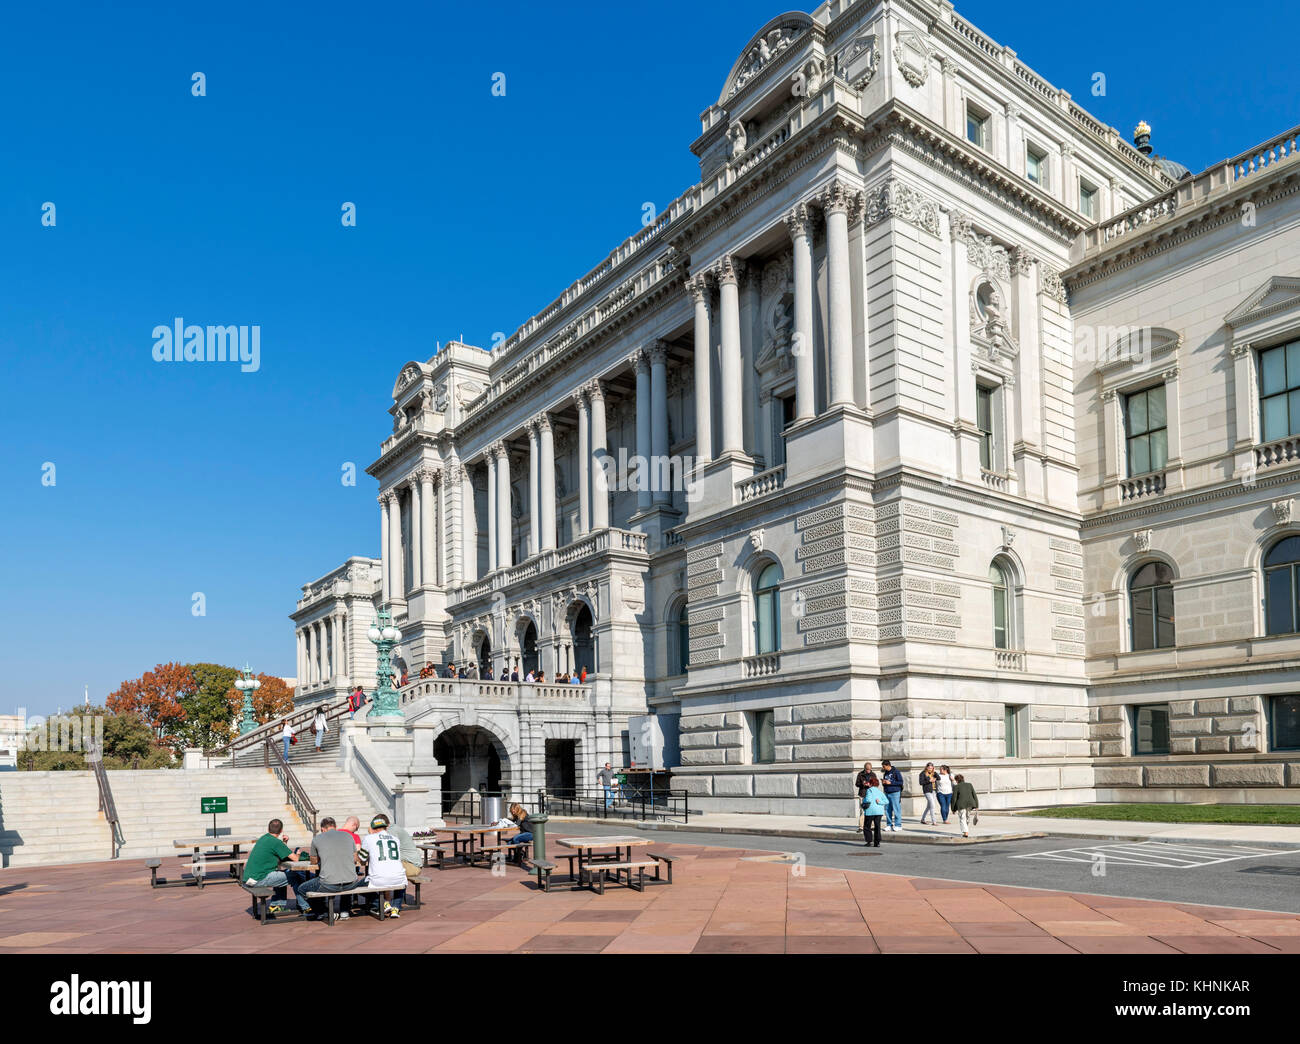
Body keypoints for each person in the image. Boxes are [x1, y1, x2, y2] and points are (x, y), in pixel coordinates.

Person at [291, 816, 359, 920]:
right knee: (345, 875)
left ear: (322, 829)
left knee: (302, 888)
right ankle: (344, 911)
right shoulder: (348, 836)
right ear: (335, 827)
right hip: (352, 883)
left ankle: (323, 911)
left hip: (329, 884)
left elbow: (314, 861)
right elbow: (355, 859)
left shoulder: (317, 839)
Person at [244, 818, 308, 909]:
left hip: (250, 877)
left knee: (282, 875)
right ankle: (305, 907)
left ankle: (277, 905)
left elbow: (280, 854)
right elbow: (295, 859)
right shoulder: (276, 842)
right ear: (281, 830)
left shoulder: (264, 838)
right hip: (259, 879)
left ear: (268, 829)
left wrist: (284, 843)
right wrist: (299, 855)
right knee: (295, 876)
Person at [358, 814, 407, 917]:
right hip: (398, 877)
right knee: (402, 881)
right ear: (386, 827)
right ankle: (395, 908)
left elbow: (362, 858)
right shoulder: (395, 839)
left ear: (373, 828)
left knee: (358, 887)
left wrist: (370, 835)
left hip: (378, 878)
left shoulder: (369, 838)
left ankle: (383, 903)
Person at [860, 774, 887, 847]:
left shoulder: (869, 790)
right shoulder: (880, 792)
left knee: (867, 826)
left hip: (870, 811)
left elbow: (868, 799)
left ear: (871, 784)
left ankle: (869, 841)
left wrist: (863, 801)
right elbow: (886, 801)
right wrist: (880, 802)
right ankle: (877, 842)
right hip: (879, 811)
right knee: (877, 826)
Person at [879, 760, 903, 832]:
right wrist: (884, 782)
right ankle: (889, 825)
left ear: (888, 765)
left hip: (895, 792)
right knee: (887, 809)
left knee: (896, 809)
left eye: (883, 766)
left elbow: (900, 782)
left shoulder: (896, 772)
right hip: (887, 792)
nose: (883, 768)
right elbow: (886, 783)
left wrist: (890, 782)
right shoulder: (886, 773)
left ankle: (898, 825)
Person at [854, 762, 874, 827]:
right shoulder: (860, 774)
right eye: (867, 769)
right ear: (864, 768)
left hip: (871, 794)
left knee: (871, 810)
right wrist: (863, 784)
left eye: (869, 769)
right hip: (862, 794)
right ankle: (861, 826)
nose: (868, 771)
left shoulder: (873, 774)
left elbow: (876, 783)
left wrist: (871, 784)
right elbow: (857, 784)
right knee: (862, 811)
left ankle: (872, 825)